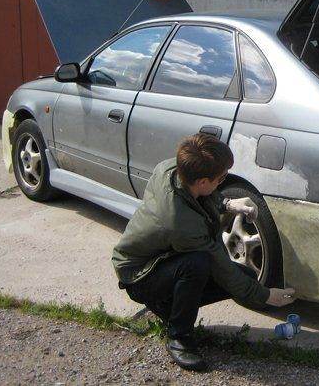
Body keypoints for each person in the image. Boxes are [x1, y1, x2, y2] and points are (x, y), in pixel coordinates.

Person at [112, 133, 295, 370]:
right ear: (203, 182)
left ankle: (170, 304)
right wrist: (266, 296)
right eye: (221, 178)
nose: (223, 181)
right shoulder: (181, 224)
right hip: (139, 275)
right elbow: (219, 264)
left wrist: (227, 203)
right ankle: (179, 337)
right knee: (197, 265)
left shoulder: (170, 168)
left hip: (163, 258)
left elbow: (198, 196)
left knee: (246, 277)